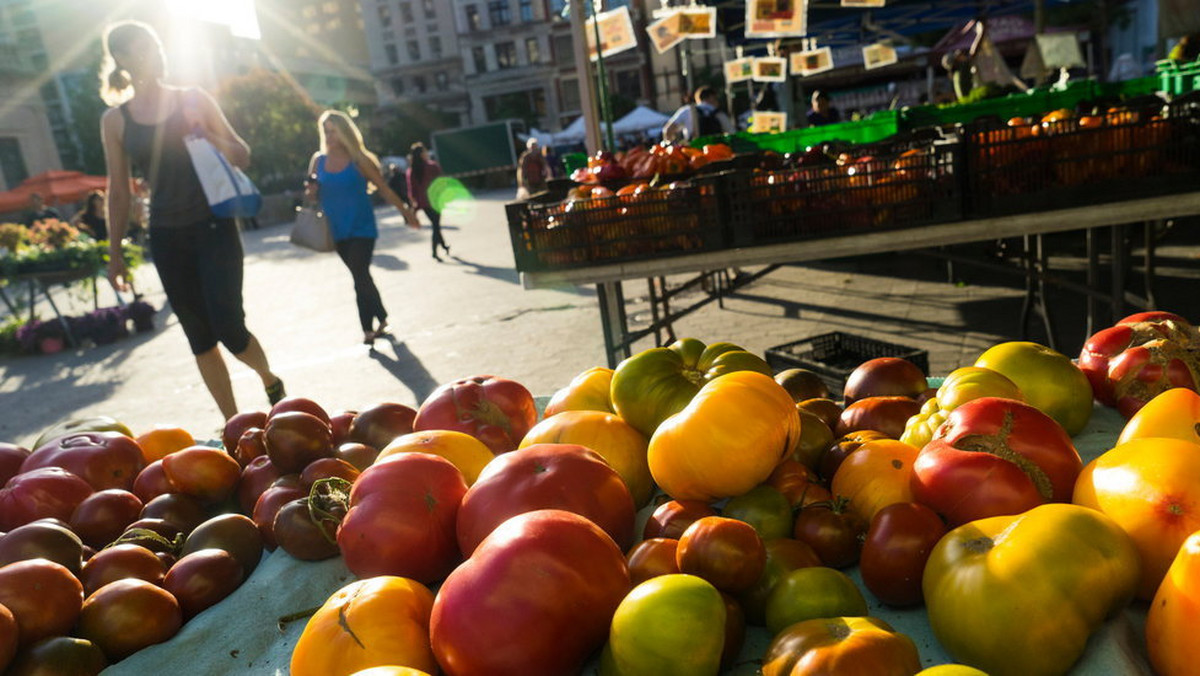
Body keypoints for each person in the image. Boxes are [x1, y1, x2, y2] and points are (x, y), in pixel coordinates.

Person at [98, 20, 285, 422]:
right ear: (122, 59)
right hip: (165, 236)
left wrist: (203, 133)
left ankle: (270, 379)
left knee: (230, 328)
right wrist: (115, 254)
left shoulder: (192, 98)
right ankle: (233, 425)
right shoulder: (115, 121)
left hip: (213, 227)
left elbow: (242, 154)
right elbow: (118, 192)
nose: (153, 53)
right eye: (141, 47)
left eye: (154, 44)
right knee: (200, 339)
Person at [308, 109, 419, 346]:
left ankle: (367, 329)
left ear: (345, 133)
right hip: (335, 230)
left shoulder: (360, 160)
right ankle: (382, 316)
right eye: (326, 132)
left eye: (334, 132)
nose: (329, 137)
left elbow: (384, 189)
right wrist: (311, 191)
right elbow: (310, 195)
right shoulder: (319, 161)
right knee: (361, 276)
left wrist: (406, 212)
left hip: (362, 227)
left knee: (359, 274)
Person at [407, 142, 450, 261]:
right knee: (436, 226)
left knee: (435, 225)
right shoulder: (432, 166)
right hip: (435, 201)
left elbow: (412, 191)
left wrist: (414, 206)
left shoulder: (412, 171)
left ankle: (443, 246)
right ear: (422, 154)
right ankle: (435, 252)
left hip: (424, 203)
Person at [662, 86, 734, 143]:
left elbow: (668, 130)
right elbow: (732, 133)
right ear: (711, 97)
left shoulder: (687, 110)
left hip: (694, 154)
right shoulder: (718, 112)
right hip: (717, 153)